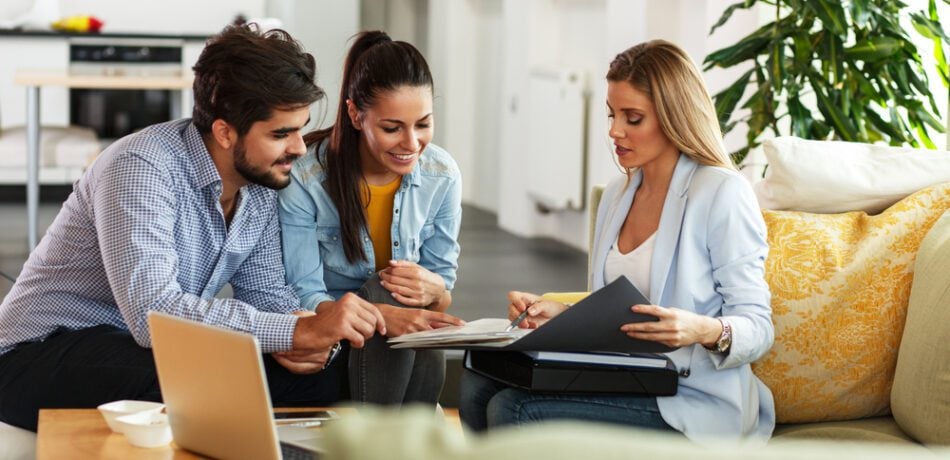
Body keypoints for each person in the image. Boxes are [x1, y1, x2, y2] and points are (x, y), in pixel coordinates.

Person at [0, 24, 386, 432]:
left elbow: (267, 293)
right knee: (214, 373)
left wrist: (310, 340)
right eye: (280, 133)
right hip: (37, 354)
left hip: (137, 347)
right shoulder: (141, 168)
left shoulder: (258, 186)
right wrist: (294, 330)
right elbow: (154, 313)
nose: (298, 147)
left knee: (328, 375)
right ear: (224, 132)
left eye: (299, 128)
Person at [459, 39, 775, 442]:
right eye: (612, 114)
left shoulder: (721, 193)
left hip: (691, 396)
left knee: (514, 408)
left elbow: (759, 327)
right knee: (476, 384)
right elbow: (619, 309)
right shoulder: (617, 194)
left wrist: (702, 330)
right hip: (627, 377)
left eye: (633, 118)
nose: (614, 131)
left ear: (674, 117)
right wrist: (561, 314)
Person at [278, 31, 464, 407]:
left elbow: (441, 293)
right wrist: (383, 313)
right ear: (355, 114)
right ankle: (403, 435)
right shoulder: (306, 177)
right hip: (335, 338)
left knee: (412, 305)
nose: (411, 143)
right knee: (385, 289)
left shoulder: (442, 174)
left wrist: (435, 291)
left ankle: (400, 438)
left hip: (400, 345)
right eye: (392, 128)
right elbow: (304, 293)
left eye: (423, 124)